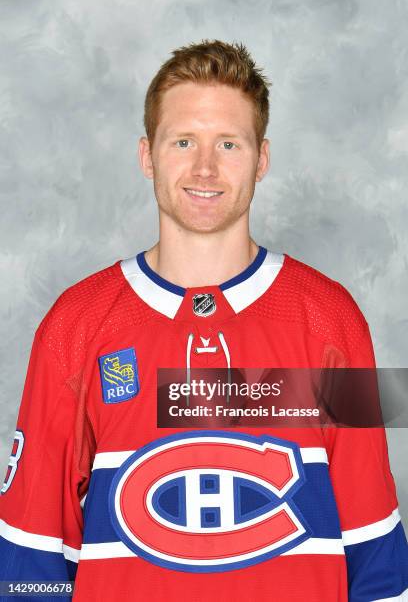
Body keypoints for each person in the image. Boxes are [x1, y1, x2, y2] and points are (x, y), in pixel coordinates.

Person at [0, 39, 407, 602]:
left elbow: (374, 552)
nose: (205, 168)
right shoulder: (76, 325)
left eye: (230, 144)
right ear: (147, 154)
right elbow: (30, 557)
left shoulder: (331, 320)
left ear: (262, 159)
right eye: (183, 141)